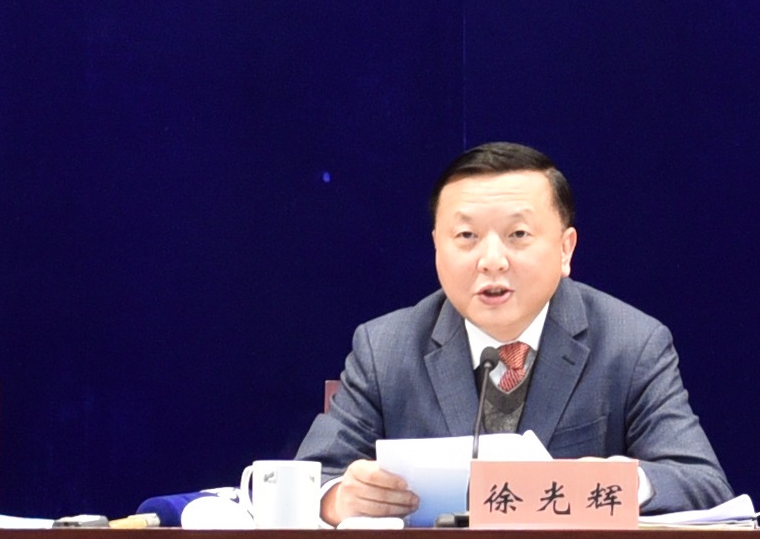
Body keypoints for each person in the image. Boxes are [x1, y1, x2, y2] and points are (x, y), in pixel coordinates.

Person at [302, 143, 732, 518]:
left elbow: (703, 485)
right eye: (466, 235)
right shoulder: (385, 348)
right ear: (436, 247)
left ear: (565, 249)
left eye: (518, 234)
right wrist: (338, 499)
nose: (492, 260)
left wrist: (620, 483)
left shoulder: (630, 344)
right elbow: (312, 479)